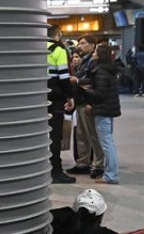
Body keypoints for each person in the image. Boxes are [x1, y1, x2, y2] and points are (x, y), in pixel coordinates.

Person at [79, 44, 120, 184]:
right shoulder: (108, 70)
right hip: (108, 110)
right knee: (109, 143)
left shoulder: (101, 71)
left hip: (103, 110)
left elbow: (100, 94)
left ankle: (111, 175)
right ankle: (111, 173)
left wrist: (84, 91)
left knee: (107, 144)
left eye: (96, 51)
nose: (94, 53)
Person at [69, 37, 105, 180]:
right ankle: (82, 163)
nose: (80, 46)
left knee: (92, 135)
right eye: (79, 43)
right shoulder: (84, 61)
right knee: (81, 134)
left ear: (92, 45)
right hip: (80, 101)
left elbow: (93, 82)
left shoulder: (93, 62)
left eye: (83, 43)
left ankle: (98, 164)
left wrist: (78, 81)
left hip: (87, 101)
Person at [46, 25, 76, 184]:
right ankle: (56, 170)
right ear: (58, 34)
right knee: (55, 134)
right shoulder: (59, 50)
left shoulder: (37, 47)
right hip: (55, 97)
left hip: (37, 96)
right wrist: (69, 96)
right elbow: (64, 77)